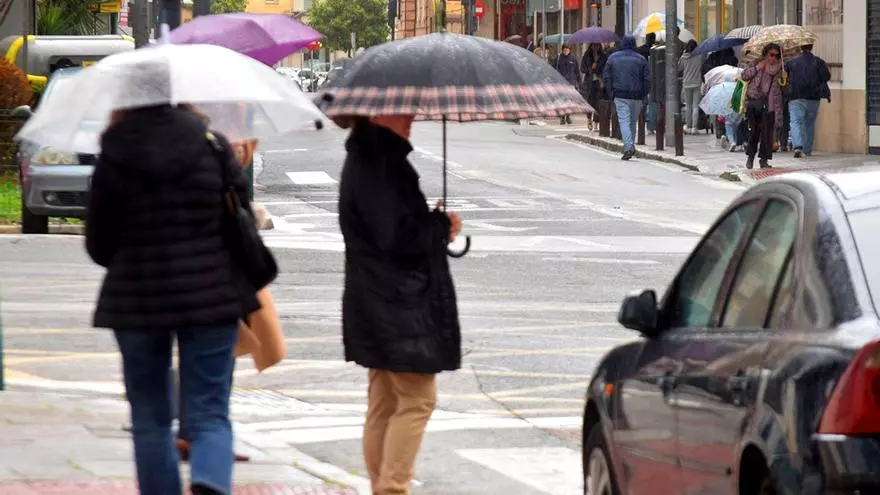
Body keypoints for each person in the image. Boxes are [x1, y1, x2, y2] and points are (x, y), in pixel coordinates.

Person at [86, 104, 257, 495]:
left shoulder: (116, 153)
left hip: (136, 297)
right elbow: (240, 215)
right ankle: (210, 479)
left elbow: (98, 243)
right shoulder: (212, 146)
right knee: (210, 412)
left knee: (150, 419)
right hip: (211, 293)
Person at [336, 115, 463, 495]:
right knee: (418, 399)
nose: (410, 117)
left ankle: (383, 486)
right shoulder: (380, 163)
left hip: (377, 299)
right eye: (403, 111)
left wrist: (431, 222)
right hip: (397, 303)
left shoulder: (368, 156)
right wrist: (439, 227)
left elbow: (390, 227)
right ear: (379, 114)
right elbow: (396, 237)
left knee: (385, 401)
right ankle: (392, 488)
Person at [604, 35, 651, 161]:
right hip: (637, 95)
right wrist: (644, 93)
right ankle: (630, 145)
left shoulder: (613, 58)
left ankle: (628, 147)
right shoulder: (641, 59)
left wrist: (611, 92)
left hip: (620, 94)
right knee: (632, 121)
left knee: (624, 120)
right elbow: (647, 79)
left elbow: (607, 76)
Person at [741, 43, 786, 169]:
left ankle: (764, 160)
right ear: (765, 54)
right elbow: (744, 75)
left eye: (777, 56)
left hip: (770, 104)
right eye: (771, 55)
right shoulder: (756, 63)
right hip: (755, 102)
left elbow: (783, 89)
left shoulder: (780, 69)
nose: (774, 58)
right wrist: (757, 68)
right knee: (754, 132)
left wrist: (784, 79)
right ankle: (750, 157)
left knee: (767, 134)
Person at [785, 44, 831, 158]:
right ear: (812, 47)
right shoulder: (819, 62)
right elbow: (826, 77)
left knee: (796, 121)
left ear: (800, 48)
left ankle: (797, 146)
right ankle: (807, 149)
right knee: (809, 123)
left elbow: (784, 77)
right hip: (814, 97)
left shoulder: (791, 63)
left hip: (796, 96)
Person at [678, 39, 704, 134]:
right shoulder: (700, 56)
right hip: (697, 83)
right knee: (695, 106)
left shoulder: (683, 57)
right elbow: (702, 66)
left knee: (688, 106)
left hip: (686, 83)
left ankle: (688, 126)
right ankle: (694, 127)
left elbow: (679, 68)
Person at [580, 42, 608, 131]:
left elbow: (605, 69)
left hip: (599, 82)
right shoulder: (587, 56)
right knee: (590, 102)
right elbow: (582, 69)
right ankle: (589, 120)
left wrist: (597, 68)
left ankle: (596, 123)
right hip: (589, 83)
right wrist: (591, 68)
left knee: (598, 103)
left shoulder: (603, 56)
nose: (595, 47)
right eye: (593, 45)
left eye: (597, 45)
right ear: (591, 46)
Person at [553, 44, 581, 125]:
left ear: (570, 50)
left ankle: (568, 116)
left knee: (569, 100)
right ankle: (562, 117)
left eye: (567, 50)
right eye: (564, 50)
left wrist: (579, 82)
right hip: (560, 82)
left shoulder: (573, 58)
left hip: (571, 82)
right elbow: (552, 68)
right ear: (562, 50)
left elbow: (577, 71)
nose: (566, 51)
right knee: (562, 100)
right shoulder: (558, 58)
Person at [636, 33, 657, 133]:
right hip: (651, 79)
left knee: (643, 102)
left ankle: (642, 123)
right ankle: (649, 125)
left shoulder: (639, 50)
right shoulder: (654, 51)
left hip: (640, 79)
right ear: (653, 39)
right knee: (651, 102)